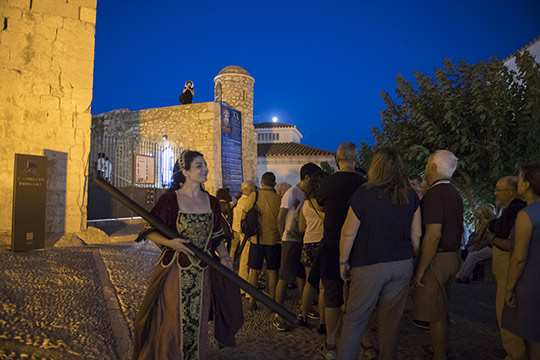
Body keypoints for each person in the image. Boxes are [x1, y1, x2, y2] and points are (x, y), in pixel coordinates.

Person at [133, 150, 242, 359]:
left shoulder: (212, 203)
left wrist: (225, 257)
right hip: (175, 273)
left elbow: (217, 236)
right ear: (184, 171)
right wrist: (170, 242)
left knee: (198, 322)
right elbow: (149, 230)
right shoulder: (170, 201)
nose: (205, 169)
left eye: (205, 164)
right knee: (172, 322)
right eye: (199, 166)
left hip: (202, 275)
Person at [338, 148, 421, 360]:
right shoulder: (410, 195)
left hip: (369, 264)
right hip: (402, 264)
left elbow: (348, 233)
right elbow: (416, 235)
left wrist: (343, 261)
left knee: (354, 320)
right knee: (391, 323)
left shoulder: (365, 193)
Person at [313, 142, 365, 359]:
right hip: (360, 247)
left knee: (332, 296)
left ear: (337, 158)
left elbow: (321, 205)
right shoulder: (364, 184)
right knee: (358, 297)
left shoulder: (328, 182)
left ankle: (331, 345)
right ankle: (362, 343)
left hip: (332, 244)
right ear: (356, 158)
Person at [412, 150, 463, 360]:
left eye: (426, 164)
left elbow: (433, 234)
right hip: (454, 255)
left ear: (433, 167)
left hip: (438, 258)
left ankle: (439, 354)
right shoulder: (454, 193)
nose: (425, 169)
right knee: (443, 309)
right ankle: (441, 348)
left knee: (435, 314)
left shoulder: (434, 194)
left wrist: (420, 270)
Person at [273, 162, 323, 331]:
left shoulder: (307, 194)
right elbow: (281, 217)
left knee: (302, 276)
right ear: (307, 177)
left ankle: (305, 307)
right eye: (315, 178)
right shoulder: (292, 192)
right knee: (284, 277)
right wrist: (282, 237)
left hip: (303, 240)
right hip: (291, 239)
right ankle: (278, 313)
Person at [502, 164, 540, 359]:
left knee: (531, 336)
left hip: (530, 281)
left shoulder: (527, 215)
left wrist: (509, 287)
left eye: (520, 178)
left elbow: (519, 257)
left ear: (527, 183)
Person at [487, 176, 527, 359]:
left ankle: (514, 354)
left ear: (511, 192)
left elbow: (512, 243)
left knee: (506, 315)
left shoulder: (517, 211)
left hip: (508, 272)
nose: (495, 193)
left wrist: (493, 240)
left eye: (498, 189)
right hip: (507, 271)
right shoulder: (514, 210)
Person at [243, 172, 282, 309]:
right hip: (274, 240)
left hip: (256, 239)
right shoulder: (279, 199)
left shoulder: (255, 196)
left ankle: (252, 301)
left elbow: (245, 214)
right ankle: (272, 302)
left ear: (262, 183)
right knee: (273, 272)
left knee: (254, 270)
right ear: (274, 183)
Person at [297, 171, 328, 331]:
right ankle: (323, 323)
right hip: (323, 245)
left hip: (308, 244)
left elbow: (302, 227)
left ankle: (303, 316)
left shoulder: (305, 204)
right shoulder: (327, 205)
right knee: (323, 286)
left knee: (310, 282)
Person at [455, 204, 496, 283]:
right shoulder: (489, 222)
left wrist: (479, 246)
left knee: (473, 255)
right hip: (488, 245)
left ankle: (465, 275)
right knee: (471, 252)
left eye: (483, 212)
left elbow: (488, 240)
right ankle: (463, 274)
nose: (482, 215)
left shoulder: (492, 222)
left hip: (492, 247)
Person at [231, 180, 256, 288]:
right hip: (247, 235)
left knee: (244, 259)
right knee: (247, 260)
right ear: (250, 189)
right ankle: (247, 286)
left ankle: (243, 284)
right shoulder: (249, 202)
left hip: (240, 232)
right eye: (254, 188)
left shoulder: (240, 201)